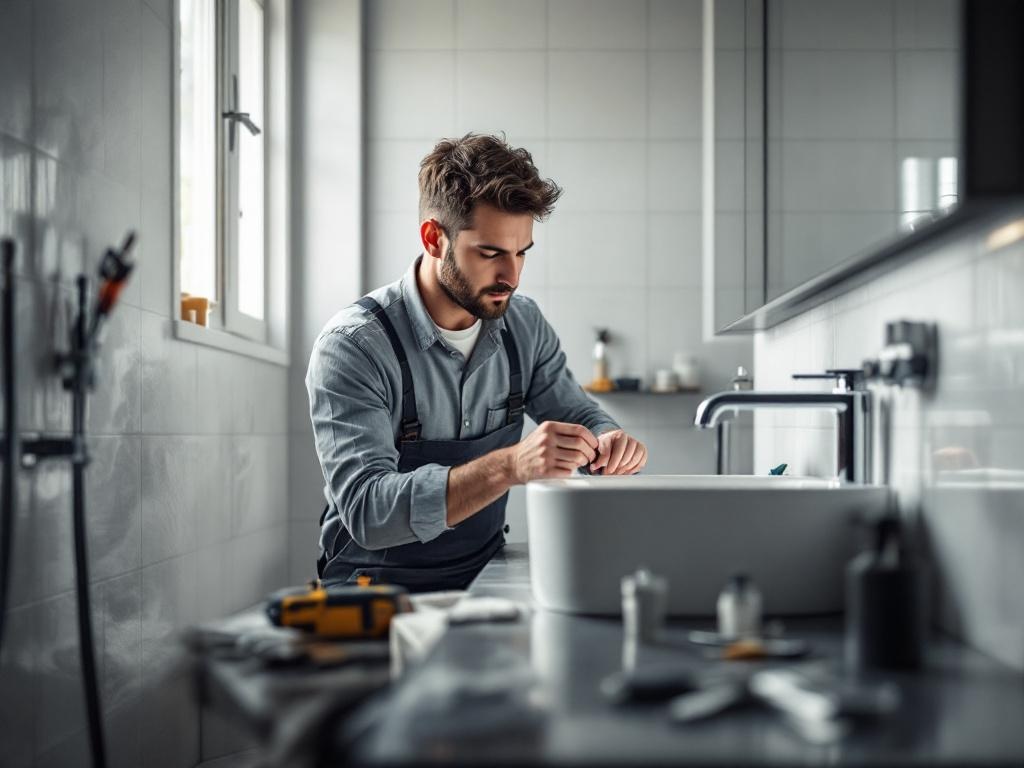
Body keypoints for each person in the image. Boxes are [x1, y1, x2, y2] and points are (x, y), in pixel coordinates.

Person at [306, 133, 647, 592]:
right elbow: (369, 511)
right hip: (372, 589)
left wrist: (608, 440)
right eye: (490, 254)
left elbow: (578, 414)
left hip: (484, 576)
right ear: (434, 238)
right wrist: (508, 466)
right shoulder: (353, 346)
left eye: (521, 252)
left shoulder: (523, 324)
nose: (511, 276)